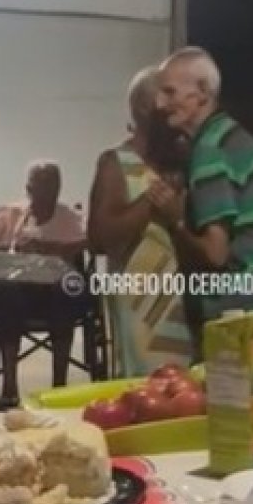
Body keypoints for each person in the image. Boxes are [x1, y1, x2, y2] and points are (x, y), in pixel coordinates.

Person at [154, 46, 253, 356]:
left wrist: (175, 221)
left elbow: (216, 254)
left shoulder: (209, 149)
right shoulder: (229, 134)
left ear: (202, 92)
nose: (160, 104)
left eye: (170, 92)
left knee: (229, 381)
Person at [87, 67, 192, 376]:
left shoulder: (186, 160)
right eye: (170, 99)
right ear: (146, 109)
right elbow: (100, 239)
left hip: (192, 298)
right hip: (143, 306)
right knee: (154, 388)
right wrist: (151, 200)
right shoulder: (117, 163)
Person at [0, 162, 85, 406]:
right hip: (15, 291)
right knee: (3, 292)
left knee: (69, 290)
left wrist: (48, 248)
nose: (47, 193)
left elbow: (87, 244)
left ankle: (59, 384)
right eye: (40, 187)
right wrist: (11, 248)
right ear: (28, 189)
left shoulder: (70, 218)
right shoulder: (12, 214)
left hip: (53, 293)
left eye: (52, 187)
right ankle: (9, 386)